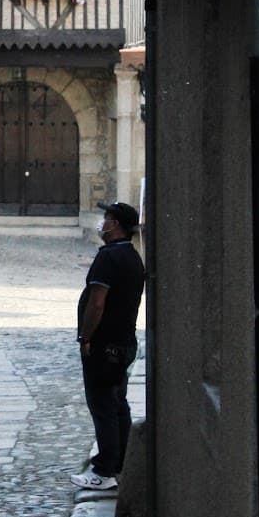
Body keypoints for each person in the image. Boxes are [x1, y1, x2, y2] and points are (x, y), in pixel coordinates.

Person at [71, 200, 145, 493]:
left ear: (114, 225)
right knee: (118, 404)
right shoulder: (133, 257)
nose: (101, 223)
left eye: (106, 218)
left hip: (104, 344)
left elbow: (97, 302)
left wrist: (86, 337)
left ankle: (104, 470)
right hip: (124, 341)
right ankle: (120, 461)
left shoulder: (108, 258)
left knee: (102, 405)